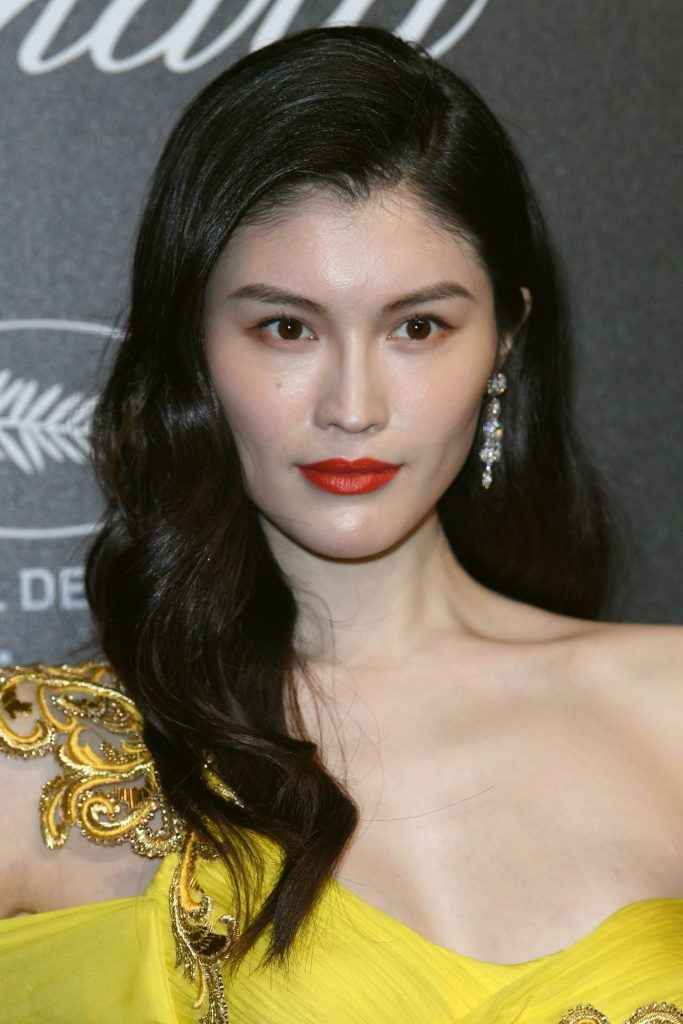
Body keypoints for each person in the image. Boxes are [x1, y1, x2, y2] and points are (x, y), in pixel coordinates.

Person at [1, 22, 681, 1024]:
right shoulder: (36, 767)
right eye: (286, 327)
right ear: (194, 346)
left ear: (504, 339)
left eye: (418, 327)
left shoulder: (668, 710)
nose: (352, 406)